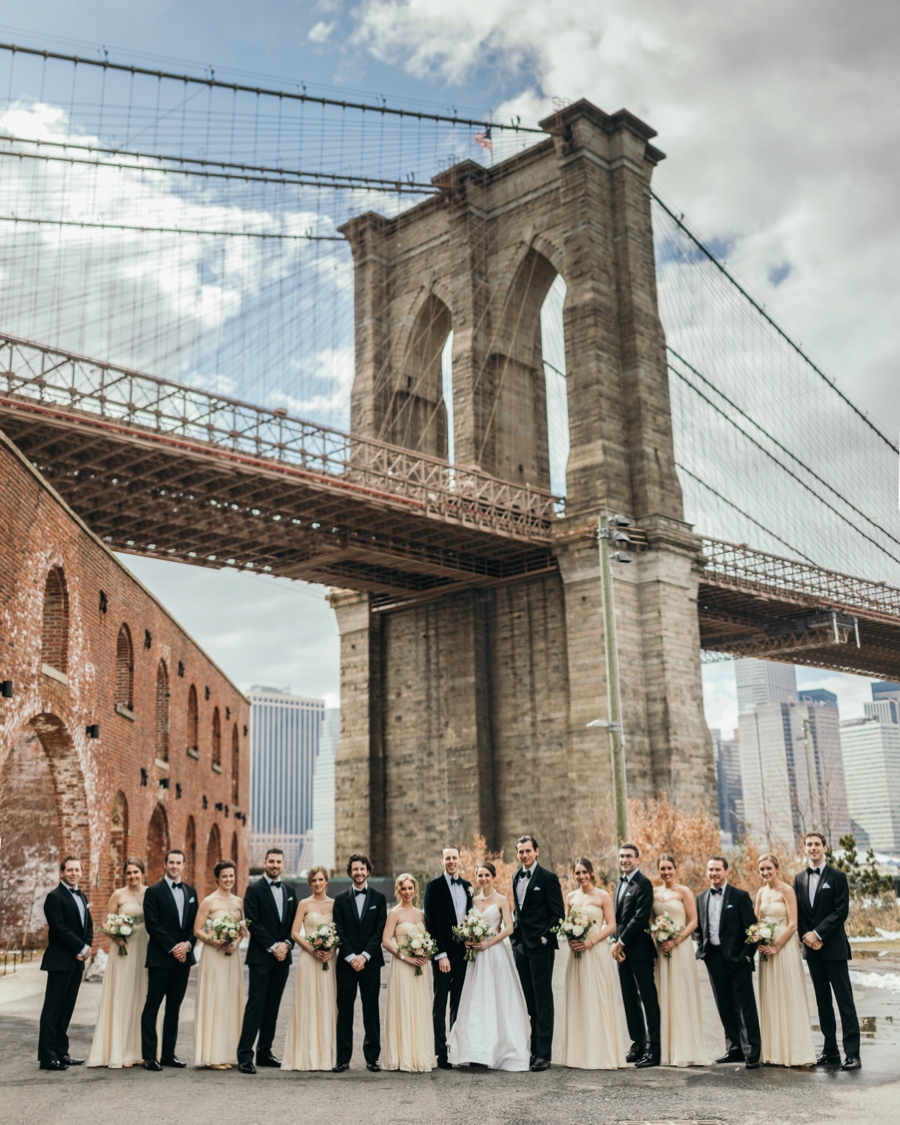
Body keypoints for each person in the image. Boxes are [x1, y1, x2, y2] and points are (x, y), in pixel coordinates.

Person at [447, 861, 531, 1071]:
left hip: (494, 954)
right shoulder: (472, 900)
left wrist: (488, 942)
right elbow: (465, 924)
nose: (483, 879)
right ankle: (476, 1050)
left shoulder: (502, 900)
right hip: (475, 957)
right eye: (480, 875)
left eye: (486, 875)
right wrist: (468, 938)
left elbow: (509, 928)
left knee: (498, 999)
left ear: (493, 876)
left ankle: (501, 1050)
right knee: (476, 1000)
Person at [794, 831, 861, 1070]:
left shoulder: (838, 877)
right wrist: (807, 936)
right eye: (808, 845)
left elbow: (840, 911)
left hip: (833, 948)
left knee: (845, 1002)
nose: (812, 848)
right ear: (804, 849)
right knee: (823, 1002)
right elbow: (798, 914)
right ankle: (830, 1051)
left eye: (816, 844)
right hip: (812, 951)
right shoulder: (799, 878)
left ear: (824, 848)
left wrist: (818, 934)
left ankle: (852, 1053)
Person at [694, 854, 761, 1069]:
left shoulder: (740, 896)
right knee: (724, 1005)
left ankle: (752, 1052)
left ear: (726, 872)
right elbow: (699, 928)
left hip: (738, 958)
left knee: (744, 1006)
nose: (713, 873)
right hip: (713, 958)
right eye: (710, 870)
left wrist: (747, 955)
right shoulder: (701, 897)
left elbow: (752, 929)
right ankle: (734, 1049)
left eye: (717, 870)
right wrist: (702, 948)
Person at [237, 847, 298, 1073]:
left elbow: (294, 922)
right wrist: (274, 947)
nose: (274, 865)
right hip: (261, 957)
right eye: (271, 861)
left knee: (272, 1006)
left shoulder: (290, 890)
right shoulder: (253, 890)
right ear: (264, 863)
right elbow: (253, 922)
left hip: (283, 957)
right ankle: (245, 1055)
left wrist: (286, 944)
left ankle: (265, 1052)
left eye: (278, 862)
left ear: (283, 864)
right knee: (256, 1005)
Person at [561, 857, 625, 1070]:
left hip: (595, 951)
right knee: (579, 997)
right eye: (577, 873)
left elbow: (612, 925)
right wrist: (570, 938)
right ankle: (579, 1054)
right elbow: (566, 922)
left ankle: (601, 1053)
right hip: (577, 954)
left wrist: (591, 941)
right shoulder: (570, 896)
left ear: (591, 873)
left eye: (584, 872)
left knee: (597, 997)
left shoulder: (603, 895)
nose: (581, 877)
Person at [87, 857, 149, 1068]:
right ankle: (121, 1051)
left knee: (142, 996)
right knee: (123, 995)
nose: (132, 876)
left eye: (135, 872)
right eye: (129, 873)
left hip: (144, 948)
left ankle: (141, 1050)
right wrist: (115, 934)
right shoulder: (118, 895)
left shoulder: (151, 893)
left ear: (142, 872)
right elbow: (105, 920)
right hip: (123, 948)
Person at [510, 835, 565, 1072]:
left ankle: (544, 1054)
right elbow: (519, 910)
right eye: (520, 851)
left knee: (543, 1000)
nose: (524, 855)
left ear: (537, 851)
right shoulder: (515, 876)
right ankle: (533, 1051)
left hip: (541, 947)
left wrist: (544, 938)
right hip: (520, 946)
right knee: (529, 1001)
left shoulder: (548, 878)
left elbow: (558, 915)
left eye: (528, 851)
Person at [755, 853, 815, 1067]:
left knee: (788, 995)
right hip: (765, 951)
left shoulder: (787, 890)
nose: (765, 872)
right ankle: (773, 1051)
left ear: (777, 869)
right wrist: (758, 939)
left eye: (769, 868)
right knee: (770, 996)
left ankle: (794, 1052)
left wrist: (776, 947)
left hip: (784, 947)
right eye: (762, 869)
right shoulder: (760, 892)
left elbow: (793, 924)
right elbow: (757, 921)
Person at [140, 848, 198, 1070]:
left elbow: (194, 924)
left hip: (183, 960)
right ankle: (149, 1056)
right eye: (171, 862)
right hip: (160, 959)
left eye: (178, 863)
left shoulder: (191, 892)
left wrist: (188, 944)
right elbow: (152, 924)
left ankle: (168, 1054)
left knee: (174, 1008)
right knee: (152, 1006)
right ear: (165, 864)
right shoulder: (153, 892)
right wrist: (173, 947)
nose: (174, 866)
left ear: (184, 865)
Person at [332, 853, 388, 1072]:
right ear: (350, 872)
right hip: (346, 964)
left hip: (370, 963)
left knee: (371, 1010)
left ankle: (372, 1057)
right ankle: (343, 1058)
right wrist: (351, 957)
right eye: (355, 869)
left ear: (368, 871)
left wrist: (364, 955)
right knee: (344, 1010)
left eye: (362, 869)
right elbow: (339, 931)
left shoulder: (379, 898)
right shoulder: (340, 899)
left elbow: (379, 931)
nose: (359, 872)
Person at [651, 854, 709, 1067]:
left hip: (681, 947)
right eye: (662, 868)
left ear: (675, 869)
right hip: (661, 949)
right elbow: (651, 920)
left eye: (669, 868)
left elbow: (693, 922)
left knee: (681, 993)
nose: (666, 872)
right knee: (663, 994)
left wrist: (675, 941)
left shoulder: (684, 891)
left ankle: (685, 1048)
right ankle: (667, 1049)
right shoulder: (654, 892)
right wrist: (657, 935)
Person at [38, 856, 94, 1071]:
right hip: (60, 961)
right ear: (61, 872)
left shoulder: (82, 895)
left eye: (77, 870)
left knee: (67, 1010)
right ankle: (48, 1057)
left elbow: (87, 924)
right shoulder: (54, 897)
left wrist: (86, 947)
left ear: (81, 872)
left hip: (77, 962)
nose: (73, 873)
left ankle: (62, 1052)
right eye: (69, 870)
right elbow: (59, 929)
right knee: (53, 1010)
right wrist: (81, 948)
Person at [193, 859, 248, 1069]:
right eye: (224, 876)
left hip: (232, 956)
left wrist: (237, 941)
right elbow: (197, 930)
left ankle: (229, 1053)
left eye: (231, 876)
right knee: (215, 999)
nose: (228, 880)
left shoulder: (238, 902)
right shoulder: (208, 901)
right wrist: (214, 941)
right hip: (214, 955)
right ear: (217, 878)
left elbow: (242, 930)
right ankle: (214, 1055)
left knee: (230, 999)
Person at [610, 842, 660, 1068]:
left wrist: (620, 942)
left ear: (638, 859)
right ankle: (637, 1044)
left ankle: (654, 1049)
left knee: (648, 1000)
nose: (624, 860)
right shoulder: (619, 884)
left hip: (640, 952)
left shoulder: (644, 884)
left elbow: (640, 919)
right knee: (630, 1000)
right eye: (621, 856)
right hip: (621, 952)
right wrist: (614, 940)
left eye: (629, 856)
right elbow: (617, 919)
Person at [283, 866, 338, 1071]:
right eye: (314, 880)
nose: (317, 883)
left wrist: (331, 948)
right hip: (309, 958)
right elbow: (295, 933)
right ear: (310, 883)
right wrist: (312, 949)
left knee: (327, 1002)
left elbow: (339, 931)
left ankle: (327, 1056)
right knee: (308, 1003)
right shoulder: (304, 904)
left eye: (320, 879)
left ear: (326, 882)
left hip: (329, 959)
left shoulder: (335, 904)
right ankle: (307, 1055)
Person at [423, 844, 472, 1070]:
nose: (451, 861)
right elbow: (431, 923)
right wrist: (440, 955)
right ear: (441, 862)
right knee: (440, 1003)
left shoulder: (468, 886)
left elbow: (472, 919)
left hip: (464, 954)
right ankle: (441, 1052)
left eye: (455, 857)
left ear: (460, 860)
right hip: (443, 954)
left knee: (459, 1003)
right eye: (447, 858)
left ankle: (456, 1049)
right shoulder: (433, 887)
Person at [382, 874, 435, 1072]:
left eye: (410, 888)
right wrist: (406, 957)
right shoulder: (394, 913)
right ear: (398, 891)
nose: (407, 892)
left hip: (420, 967)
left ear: (415, 890)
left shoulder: (421, 914)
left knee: (418, 1006)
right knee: (403, 1006)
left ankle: (419, 1054)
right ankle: (401, 1056)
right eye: (403, 889)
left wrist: (426, 954)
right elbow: (386, 940)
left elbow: (428, 939)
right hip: (402, 966)